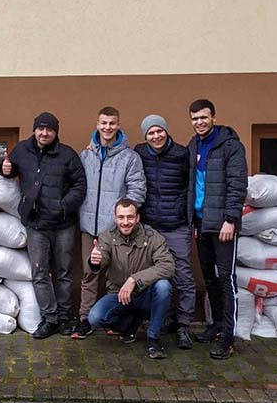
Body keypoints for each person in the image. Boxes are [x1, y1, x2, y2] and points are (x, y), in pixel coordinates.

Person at [0, 111, 87, 339]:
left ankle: (66, 319)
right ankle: (50, 319)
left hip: (63, 225)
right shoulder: (22, 150)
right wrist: (4, 170)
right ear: (35, 129)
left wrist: (62, 206)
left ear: (56, 132)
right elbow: (11, 170)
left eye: (49, 129)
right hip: (35, 224)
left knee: (65, 272)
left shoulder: (67, 155)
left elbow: (80, 185)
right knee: (40, 273)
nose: (44, 133)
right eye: (41, 128)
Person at [72, 106, 145, 340]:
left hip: (116, 229)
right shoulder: (85, 156)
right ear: (97, 124)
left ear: (118, 124)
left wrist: (124, 218)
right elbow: (77, 186)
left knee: (119, 277)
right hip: (88, 226)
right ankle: (85, 320)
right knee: (89, 273)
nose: (107, 127)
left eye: (112, 123)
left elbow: (137, 189)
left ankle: (118, 320)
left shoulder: (130, 157)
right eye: (104, 123)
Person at [187, 98, 248, 360]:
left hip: (223, 224)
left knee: (226, 279)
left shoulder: (230, 146)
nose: (199, 122)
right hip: (201, 224)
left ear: (213, 117)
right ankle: (216, 325)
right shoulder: (193, 145)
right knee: (209, 278)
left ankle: (228, 336)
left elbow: (237, 184)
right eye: (194, 118)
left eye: (203, 117)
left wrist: (231, 219)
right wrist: (192, 220)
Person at [134, 114, 196, 350]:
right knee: (154, 275)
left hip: (177, 225)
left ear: (166, 131)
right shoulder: (139, 153)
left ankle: (184, 324)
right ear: (145, 136)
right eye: (151, 132)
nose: (156, 136)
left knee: (183, 275)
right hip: (150, 226)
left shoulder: (182, 154)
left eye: (159, 131)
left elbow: (192, 185)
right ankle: (163, 319)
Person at [86, 199, 175, 358]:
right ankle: (130, 324)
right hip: (119, 295)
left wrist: (134, 279)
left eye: (130, 217)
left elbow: (168, 266)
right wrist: (95, 261)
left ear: (138, 218)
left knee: (163, 286)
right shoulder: (107, 237)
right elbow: (101, 259)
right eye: (121, 217)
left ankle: (153, 338)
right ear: (115, 218)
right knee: (95, 317)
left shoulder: (153, 237)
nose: (125, 222)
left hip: (145, 295)